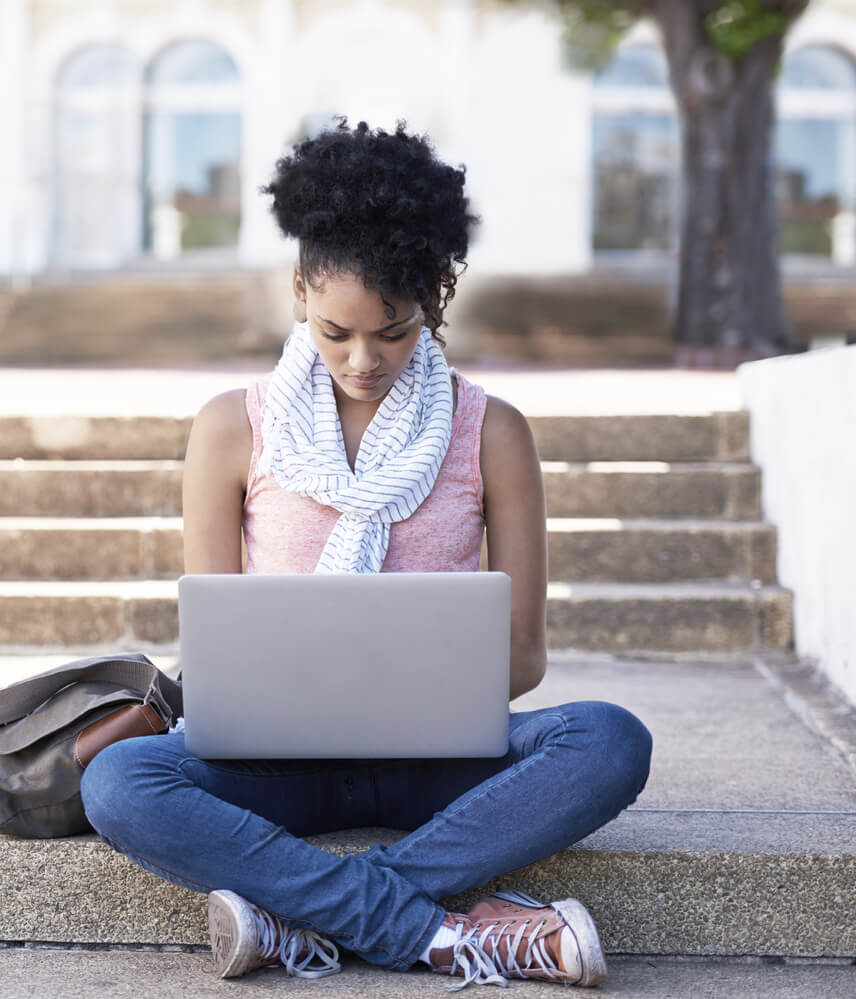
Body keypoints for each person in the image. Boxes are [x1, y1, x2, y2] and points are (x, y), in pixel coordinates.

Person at [78, 119, 653, 990]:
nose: (362, 359)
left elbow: (525, 658)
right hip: (276, 765)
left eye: (394, 331)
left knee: (609, 738)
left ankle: (301, 916)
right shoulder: (232, 427)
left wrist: (416, 690)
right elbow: (215, 654)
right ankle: (446, 935)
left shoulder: (491, 432)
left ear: (432, 299)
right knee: (120, 781)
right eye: (335, 330)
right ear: (300, 288)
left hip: (441, 763)